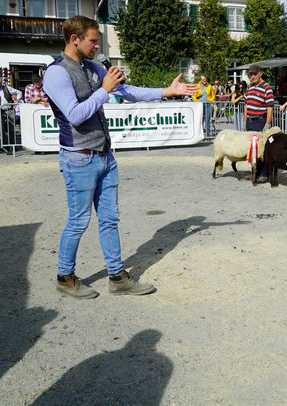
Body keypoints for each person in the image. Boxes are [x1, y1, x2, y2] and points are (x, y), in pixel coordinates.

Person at [42, 15, 197, 299]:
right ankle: (64, 277)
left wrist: (168, 91)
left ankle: (117, 277)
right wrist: (104, 90)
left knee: (110, 219)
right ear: (74, 39)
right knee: (78, 221)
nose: (97, 45)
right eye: (93, 40)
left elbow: (128, 92)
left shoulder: (92, 66)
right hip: (78, 158)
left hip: (104, 156)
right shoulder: (56, 73)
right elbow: (75, 115)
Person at [243, 63, 275, 181]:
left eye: (255, 74)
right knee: (252, 148)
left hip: (260, 121)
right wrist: (245, 121)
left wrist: (267, 124)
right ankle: (254, 172)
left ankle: (264, 174)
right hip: (250, 121)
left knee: (261, 149)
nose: (252, 76)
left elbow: (270, 107)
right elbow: (246, 104)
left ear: (260, 74)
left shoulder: (267, 88)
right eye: (251, 74)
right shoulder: (250, 87)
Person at [0, 76, 22, 151]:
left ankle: (12, 146)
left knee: (11, 128)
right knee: (1, 129)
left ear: (0, 82)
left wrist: (17, 99)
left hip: (9, 110)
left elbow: (19, 92)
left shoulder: (7, 88)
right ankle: (4, 145)